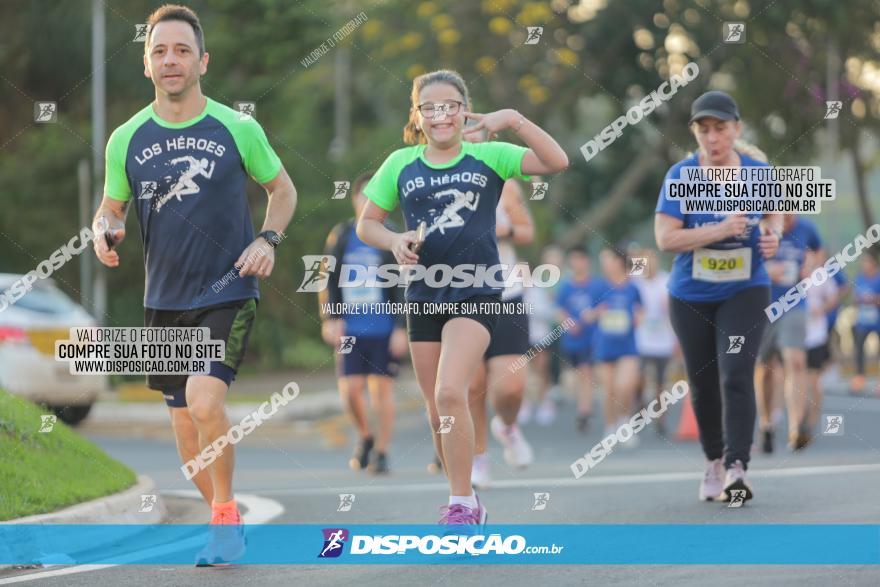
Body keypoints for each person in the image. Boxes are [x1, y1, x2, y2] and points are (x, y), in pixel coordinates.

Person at [92, 4, 297, 565]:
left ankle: (226, 520)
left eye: (182, 50)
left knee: (208, 401)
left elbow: (284, 191)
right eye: (160, 51)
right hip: (163, 300)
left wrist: (267, 241)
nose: (170, 60)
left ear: (202, 60)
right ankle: (223, 517)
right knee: (186, 439)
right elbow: (111, 209)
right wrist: (103, 232)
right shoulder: (125, 139)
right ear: (146, 63)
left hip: (228, 291)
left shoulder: (238, 127)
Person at [357, 69, 567, 526]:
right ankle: (467, 492)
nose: (440, 115)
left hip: (478, 291)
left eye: (449, 104)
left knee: (452, 391)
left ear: (464, 108)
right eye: (429, 107)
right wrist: (394, 241)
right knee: (438, 408)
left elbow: (557, 161)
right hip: (423, 296)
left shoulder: (489, 155)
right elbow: (367, 223)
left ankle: (461, 505)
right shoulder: (400, 164)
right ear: (417, 115)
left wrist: (513, 119)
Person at [654, 90, 781, 503]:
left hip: (746, 289)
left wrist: (773, 235)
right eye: (703, 130)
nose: (712, 138)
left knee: (736, 373)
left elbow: (775, 213)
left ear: (736, 129)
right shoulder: (681, 176)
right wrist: (720, 229)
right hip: (691, 295)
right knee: (703, 383)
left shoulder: (760, 173)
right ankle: (712, 460)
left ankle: (736, 467)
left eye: (720, 129)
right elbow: (666, 238)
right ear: (695, 133)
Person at [319, 172, 408, 475]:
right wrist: (331, 317)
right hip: (350, 327)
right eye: (364, 196)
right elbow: (327, 279)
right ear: (355, 200)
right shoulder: (341, 235)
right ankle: (365, 436)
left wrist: (401, 327)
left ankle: (381, 452)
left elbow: (403, 285)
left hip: (384, 327)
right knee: (350, 390)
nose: (369, 202)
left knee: (382, 391)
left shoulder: (392, 235)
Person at [469, 179, 536, 489]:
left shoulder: (505, 184)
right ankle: (478, 457)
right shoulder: (435, 179)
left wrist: (501, 231)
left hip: (506, 295)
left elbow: (527, 231)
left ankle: (507, 426)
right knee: (473, 386)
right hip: (460, 298)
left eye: (474, 129)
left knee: (511, 388)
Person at [756, 215, 822, 452]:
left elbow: (818, 251)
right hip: (762, 304)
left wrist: (811, 264)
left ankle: (796, 429)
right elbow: (741, 259)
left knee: (796, 361)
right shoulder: (757, 223)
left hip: (795, 304)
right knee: (765, 369)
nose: (786, 216)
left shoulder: (806, 228)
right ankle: (767, 424)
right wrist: (764, 269)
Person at [592, 246, 642, 443]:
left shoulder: (633, 287)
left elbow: (640, 310)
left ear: (619, 262)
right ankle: (610, 426)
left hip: (627, 345)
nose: (604, 264)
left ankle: (625, 423)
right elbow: (588, 314)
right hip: (604, 345)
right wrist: (598, 313)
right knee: (609, 389)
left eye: (608, 259)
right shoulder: (599, 287)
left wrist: (639, 318)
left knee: (625, 385)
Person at [556, 245, 607, 433]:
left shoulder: (597, 284)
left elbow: (606, 306)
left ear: (587, 261)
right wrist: (570, 323)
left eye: (580, 259)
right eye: (574, 259)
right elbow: (559, 310)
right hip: (573, 339)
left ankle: (585, 410)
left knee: (587, 372)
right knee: (581, 374)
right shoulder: (566, 286)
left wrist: (593, 315)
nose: (577, 263)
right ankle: (584, 408)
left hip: (594, 338)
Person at [631, 248, 676, 435]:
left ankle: (661, 419)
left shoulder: (666, 280)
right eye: (645, 262)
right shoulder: (636, 282)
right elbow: (624, 286)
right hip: (640, 339)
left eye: (652, 261)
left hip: (663, 339)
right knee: (638, 378)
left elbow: (674, 305)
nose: (649, 265)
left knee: (660, 382)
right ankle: (639, 407)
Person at [803, 253, 840, 432]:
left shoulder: (821, 275)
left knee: (814, 380)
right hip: (793, 336)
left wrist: (822, 309)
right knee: (794, 378)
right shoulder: (792, 273)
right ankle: (796, 418)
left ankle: (811, 421)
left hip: (815, 336)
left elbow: (834, 297)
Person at [850, 253, 880, 394]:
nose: (864, 265)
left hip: (877, 320)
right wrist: (860, 300)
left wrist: (874, 299)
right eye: (863, 262)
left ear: (873, 263)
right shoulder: (860, 278)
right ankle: (859, 378)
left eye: (867, 262)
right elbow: (855, 298)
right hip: (863, 321)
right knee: (859, 349)